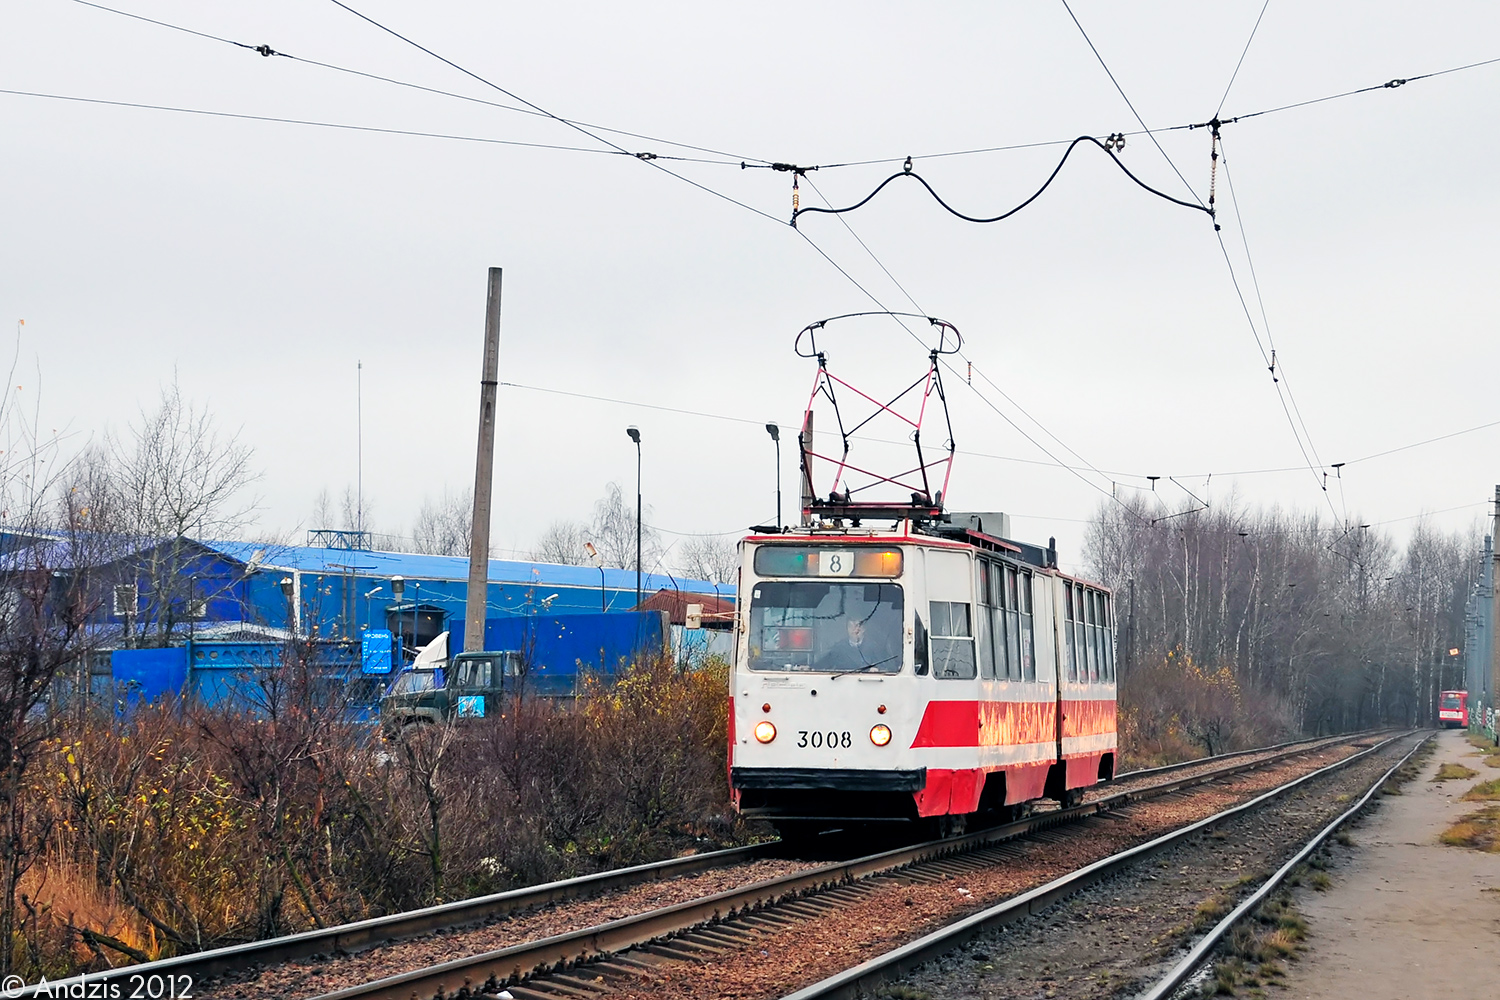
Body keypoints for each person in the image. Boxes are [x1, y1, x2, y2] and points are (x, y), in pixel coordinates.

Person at [816, 615, 896, 672]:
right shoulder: (839, 648)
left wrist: (877, 670)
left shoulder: (874, 647)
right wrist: (809, 668)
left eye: (858, 626)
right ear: (847, 629)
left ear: (864, 628)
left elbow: (886, 668)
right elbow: (822, 665)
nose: (855, 630)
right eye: (851, 626)